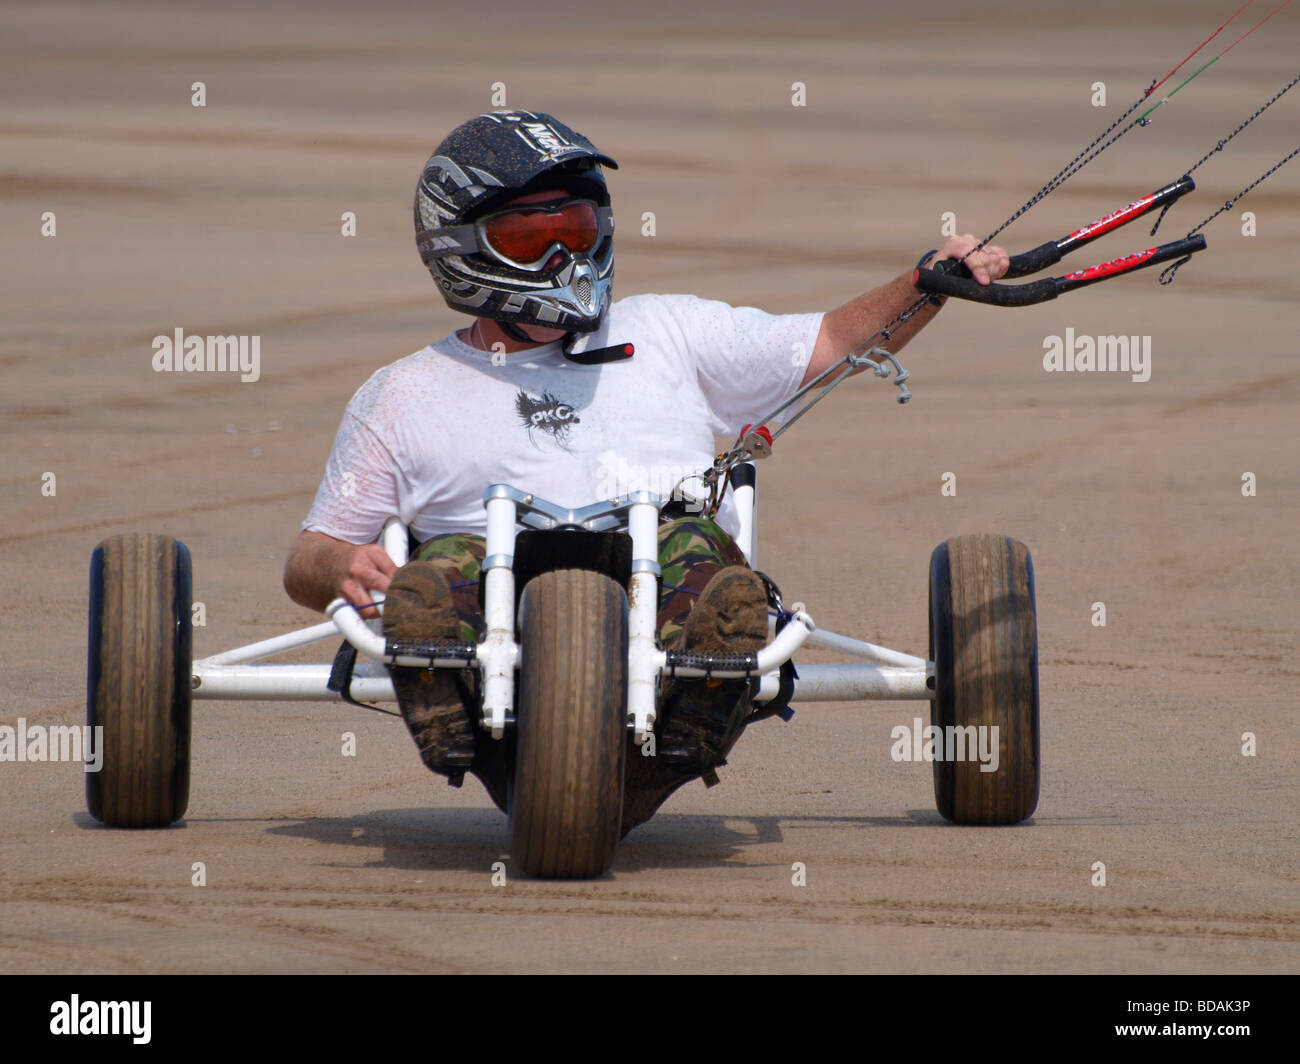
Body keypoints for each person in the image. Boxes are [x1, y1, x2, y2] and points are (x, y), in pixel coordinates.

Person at [283, 109, 1009, 826]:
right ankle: (443, 689)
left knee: (695, 548)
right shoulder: (402, 392)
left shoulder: (670, 330)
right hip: (488, 620)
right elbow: (309, 557)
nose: (564, 259)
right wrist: (344, 569)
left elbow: (834, 339)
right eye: (531, 238)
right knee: (438, 570)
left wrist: (929, 283)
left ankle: (699, 699)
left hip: (661, 574)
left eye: (577, 231)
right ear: (462, 248)